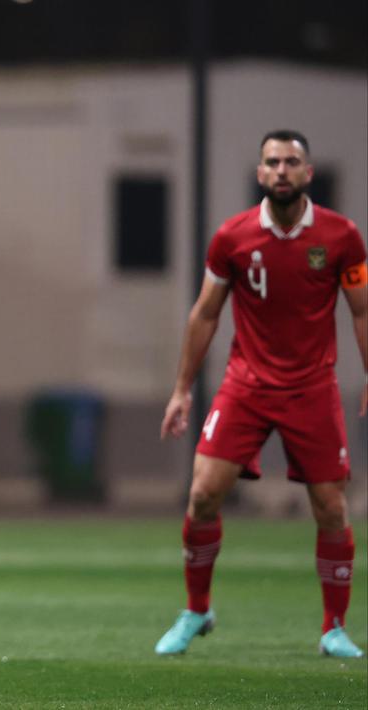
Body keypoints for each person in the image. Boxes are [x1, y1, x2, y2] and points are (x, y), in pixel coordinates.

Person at [156, 129, 367, 658]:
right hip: (245, 385)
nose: (280, 171)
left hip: (313, 388)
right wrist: (182, 389)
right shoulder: (233, 237)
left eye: (291, 162)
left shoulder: (342, 238)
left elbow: (362, 309)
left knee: (330, 506)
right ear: (259, 174)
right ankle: (197, 610)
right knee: (203, 494)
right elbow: (205, 313)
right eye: (272, 162)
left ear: (308, 172)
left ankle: (333, 628)